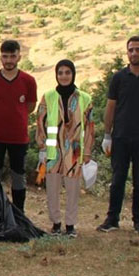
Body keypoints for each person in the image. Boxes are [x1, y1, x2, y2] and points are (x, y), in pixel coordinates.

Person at [98, 35, 139, 235]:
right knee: (117, 180)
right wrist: (107, 135)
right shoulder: (118, 77)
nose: (134, 53)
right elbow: (111, 107)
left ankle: (138, 222)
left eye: (138, 49)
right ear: (127, 53)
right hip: (120, 138)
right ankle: (112, 219)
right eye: (130, 50)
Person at [36, 60, 94, 238]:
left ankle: (70, 225)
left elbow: (90, 126)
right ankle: (55, 224)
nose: (64, 76)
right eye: (60, 72)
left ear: (73, 74)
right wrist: (42, 147)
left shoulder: (84, 98)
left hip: (75, 150)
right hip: (53, 150)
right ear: (56, 75)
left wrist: (88, 151)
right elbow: (40, 123)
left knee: (73, 189)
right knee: (52, 188)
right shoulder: (48, 97)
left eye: (67, 72)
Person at [0, 40, 37, 213]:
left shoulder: (28, 80)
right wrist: (0, 114)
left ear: (19, 56)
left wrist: (16, 116)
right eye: (5, 56)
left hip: (18, 137)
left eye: (13, 56)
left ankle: (19, 212)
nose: (9, 60)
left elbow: (30, 106)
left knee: (18, 176)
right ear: (0, 57)